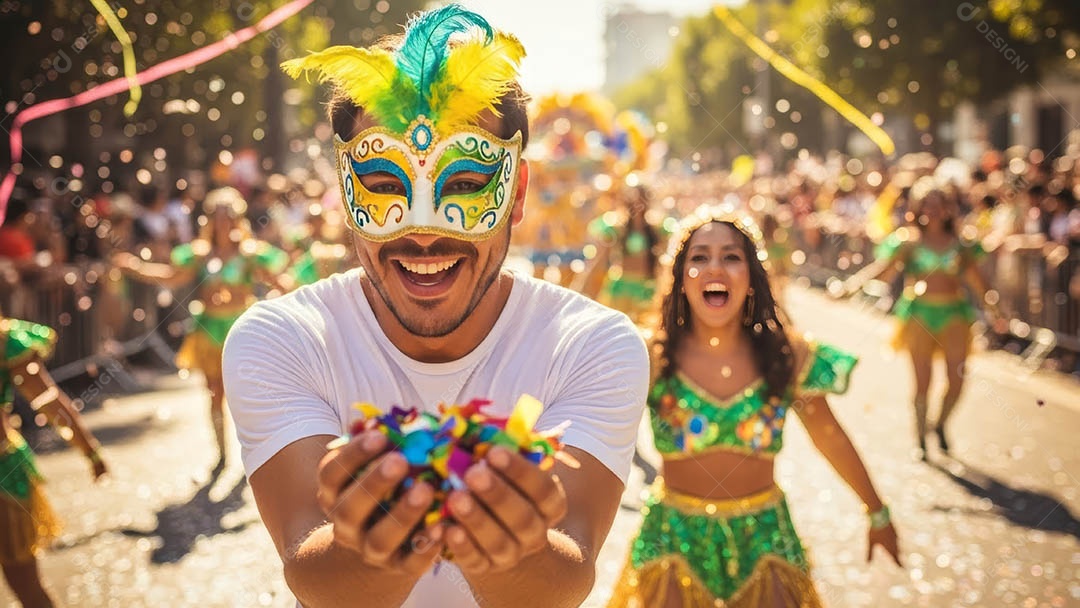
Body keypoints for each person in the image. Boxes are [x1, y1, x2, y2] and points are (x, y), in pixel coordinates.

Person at [222, 6, 648, 607]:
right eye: (387, 183)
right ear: (346, 193)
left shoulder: (593, 345)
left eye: (468, 183)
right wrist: (397, 532)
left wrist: (511, 544)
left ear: (517, 192)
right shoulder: (282, 339)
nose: (422, 234)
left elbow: (564, 579)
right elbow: (311, 574)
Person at [609, 204, 900, 608]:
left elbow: (829, 437)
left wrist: (877, 511)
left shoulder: (787, 355)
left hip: (766, 539)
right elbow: (600, 434)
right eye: (699, 257)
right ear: (680, 279)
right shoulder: (652, 357)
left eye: (731, 256)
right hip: (671, 538)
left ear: (751, 279)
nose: (715, 268)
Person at [113, 187, 289, 470]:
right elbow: (171, 277)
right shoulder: (199, 255)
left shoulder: (249, 254)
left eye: (229, 216)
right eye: (218, 217)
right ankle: (222, 454)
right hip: (208, 330)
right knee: (214, 392)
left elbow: (282, 284)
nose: (223, 222)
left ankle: (258, 454)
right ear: (209, 220)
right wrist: (135, 267)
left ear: (237, 219)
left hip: (242, 330)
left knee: (248, 394)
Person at [842, 182, 997, 458]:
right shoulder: (907, 242)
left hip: (955, 316)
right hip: (919, 316)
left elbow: (977, 280)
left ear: (949, 208)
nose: (934, 210)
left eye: (939, 203)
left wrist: (995, 308)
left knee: (957, 379)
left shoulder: (962, 245)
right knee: (922, 382)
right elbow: (884, 271)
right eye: (927, 203)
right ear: (917, 208)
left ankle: (939, 425)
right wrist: (851, 286)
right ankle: (921, 438)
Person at [1, 313, 107, 607]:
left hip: (4, 480)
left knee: (25, 585)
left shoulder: (5, 342)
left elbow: (49, 401)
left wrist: (90, 450)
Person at [573, 182, 665, 325]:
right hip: (620, 291)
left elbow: (664, 265)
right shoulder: (615, 229)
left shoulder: (658, 230)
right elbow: (598, 261)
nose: (637, 203)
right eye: (633, 199)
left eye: (641, 198)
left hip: (647, 291)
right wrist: (579, 289)